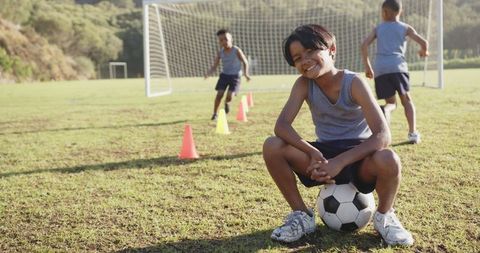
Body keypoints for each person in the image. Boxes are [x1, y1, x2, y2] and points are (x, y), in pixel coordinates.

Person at [263, 24, 414, 246]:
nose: (305, 60)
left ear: (331, 49)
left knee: (389, 158)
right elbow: (282, 126)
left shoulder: (354, 82)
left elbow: (382, 135)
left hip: (359, 156)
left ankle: (384, 216)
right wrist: (312, 152)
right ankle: (301, 216)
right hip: (323, 155)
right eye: (297, 58)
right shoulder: (304, 84)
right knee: (272, 146)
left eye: (311, 51)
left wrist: (339, 162)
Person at [361, 0, 429, 144]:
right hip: (398, 67)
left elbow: (364, 45)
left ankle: (386, 111)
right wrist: (424, 51)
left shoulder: (378, 28)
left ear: (385, 12)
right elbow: (424, 42)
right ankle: (412, 133)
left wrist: (367, 66)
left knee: (391, 103)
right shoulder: (405, 27)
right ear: (400, 12)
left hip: (381, 69)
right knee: (407, 101)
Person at [205, 29, 251, 120]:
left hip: (235, 76)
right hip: (224, 75)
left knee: (229, 96)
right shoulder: (220, 53)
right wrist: (209, 73)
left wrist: (246, 74)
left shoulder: (236, 50)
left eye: (226, 39)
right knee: (219, 94)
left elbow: (245, 62)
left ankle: (227, 102)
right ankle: (215, 114)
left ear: (231, 39)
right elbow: (215, 65)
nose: (224, 42)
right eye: (221, 40)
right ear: (219, 42)